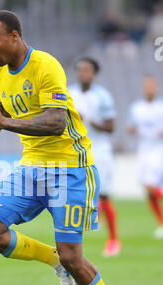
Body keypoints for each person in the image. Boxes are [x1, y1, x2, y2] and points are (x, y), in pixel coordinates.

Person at [0, 10, 129, 285]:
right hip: (31, 167)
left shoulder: (46, 65)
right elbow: (4, 113)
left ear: (13, 35)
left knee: (74, 256)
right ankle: (54, 261)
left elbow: (56, 122)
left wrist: (4, 125)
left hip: (70, 168)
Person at [69, 58, 121, 258]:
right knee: (72, 196)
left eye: (87, 69)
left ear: (94, 73)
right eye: (80, 69)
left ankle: (114, 240)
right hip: (75, 152)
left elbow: (110, 127)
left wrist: (88, 120)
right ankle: (72, 246)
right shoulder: (69, 94)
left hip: (99, 152)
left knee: (104, 195)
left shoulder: (103, 96)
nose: (83, 72)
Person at [127, 76, 163, 239]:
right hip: (143, 149)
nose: (149, 88)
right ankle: (161, 223)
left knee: (150, 185)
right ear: (143, 88)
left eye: (152, 85)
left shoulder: (160, 107)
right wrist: (131, 129)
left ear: (155, 88)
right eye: (147, 85)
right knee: (148, 191)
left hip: (158, 149)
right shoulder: (136, 108)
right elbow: (130, 126)